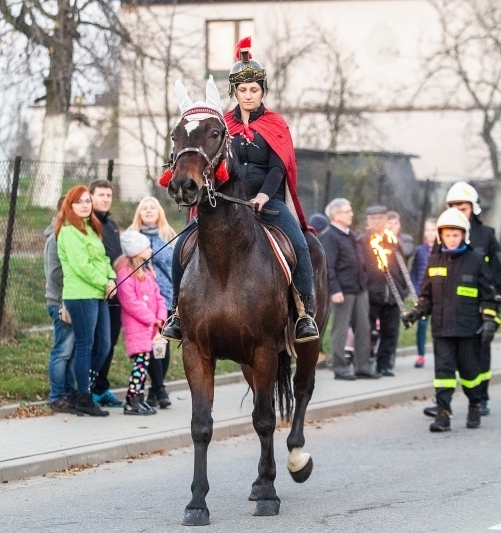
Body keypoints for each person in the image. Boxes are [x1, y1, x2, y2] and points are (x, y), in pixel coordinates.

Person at [161, 36, 319, 344]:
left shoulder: (276, 124)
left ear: (262, 91)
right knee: (182, 246)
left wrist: (263, 195)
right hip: (224, 203)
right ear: (234, 92)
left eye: (254, 90)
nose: (248, 95)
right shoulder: (219, 125)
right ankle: (178, 312)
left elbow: (278, 167)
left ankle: (303, 313)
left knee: (301, 245)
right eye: (243, 90)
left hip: (267, 200)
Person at [402, 208, 500, 432]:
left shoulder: (476, 260)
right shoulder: (434, 261)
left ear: (464, 235)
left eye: (456, 235)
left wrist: (488, 321)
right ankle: (443, 413)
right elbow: (426, 296)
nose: (452, 239)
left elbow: (488, 295)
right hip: (442, 328)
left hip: (468, 330)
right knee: (443, 372)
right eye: (447, 235)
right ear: (440, 236)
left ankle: (475, 403)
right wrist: (415, 313)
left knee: (469, 372)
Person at [423, 181, 501, 417]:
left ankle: (481, 399)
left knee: (478, 355)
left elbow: (498, 273)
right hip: (449, 309)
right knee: (447, 361)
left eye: (463, 207)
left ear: (473, 208)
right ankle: (443, 404)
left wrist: (493, 308)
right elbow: (435, 269)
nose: (459, 211)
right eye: (454, 206)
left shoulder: (486, 235)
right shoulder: (445, 233)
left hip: (480, 305)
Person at [56, 185, 116, 417]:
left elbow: (102, 260)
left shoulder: (91, 228)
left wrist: (111, 278)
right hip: (81, 295)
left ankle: (84, 389)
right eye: (78, 202)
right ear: (69, 206)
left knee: (105, 345)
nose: (84, 205)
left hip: (99, 293)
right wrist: (104, 282)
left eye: (86, 201)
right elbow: (82, 266)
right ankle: (83, 396)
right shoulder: (69, 231)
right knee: (85, 345)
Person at [320, 198, 380, 380]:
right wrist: (334, 289)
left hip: (359, 288)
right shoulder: (330, 236)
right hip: (343, 291)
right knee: (341, 328)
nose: (351, 214)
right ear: (336, 215)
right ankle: (339, 367)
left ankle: (363, 366)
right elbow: (327, 266)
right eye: (347, 211)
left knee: (363, 327)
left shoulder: (350, 235)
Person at [128, 196, 177, 409]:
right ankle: (158, 389)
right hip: (142, 299)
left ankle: (155, 389)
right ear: (139, 213)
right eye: (144, 207)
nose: (148, 210)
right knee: (146, 346)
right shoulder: (132, 237)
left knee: (161, 345)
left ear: (160, 213)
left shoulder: (169, 236)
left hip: (166, 297)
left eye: (153, 207)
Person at [114, 231, 168, 416]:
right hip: (138, 327)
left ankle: (138, 398)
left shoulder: (146, 273)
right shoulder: (126, 273)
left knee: (143, 365)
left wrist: (161, 316)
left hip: (150, 328)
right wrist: (152, 318)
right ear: (136, 251)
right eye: (146, 247)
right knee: (140, 365)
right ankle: (131, 401)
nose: (150, 249)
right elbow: (130, 302)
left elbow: (159, 296)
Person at [360, 204, 409, 377]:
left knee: (390, 331)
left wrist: (403, 290)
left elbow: (403, 265)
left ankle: (384, 364)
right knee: (369, 331)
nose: (377, 222)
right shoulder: (362, 242)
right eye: (373, 218)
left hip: (393, 294)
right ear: (368, 221)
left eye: (381, 218)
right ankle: (367, 362)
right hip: (372, 293)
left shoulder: (393, 241)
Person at [89, 179, 125, 408]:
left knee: (109, 342)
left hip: (116, 292)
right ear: (91, 196)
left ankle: (102, 388)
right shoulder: (88, 223)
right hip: (96, 290)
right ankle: (88, 388)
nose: (105, 199)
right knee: (95, 343)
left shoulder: (111, 225)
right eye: (100, 195)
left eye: (108, 195)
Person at [44, 196, 76, 413]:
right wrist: (66, 301)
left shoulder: (74, 235)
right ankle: (57, 397)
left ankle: (68, 393)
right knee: (62, 351)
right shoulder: (56, 238)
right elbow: (56, 275)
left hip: (74, 299)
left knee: (71, 351)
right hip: (61, 302)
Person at [409, 218, 437, 368]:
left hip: (439, 295)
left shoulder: (443, 250)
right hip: (423, 294)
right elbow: (413, 273)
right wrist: (414, 290)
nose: (431, 233)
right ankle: (420, 355)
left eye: (434, 230)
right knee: (422, 326)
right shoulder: (420, 250)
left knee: (438, 327)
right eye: (428, 230)